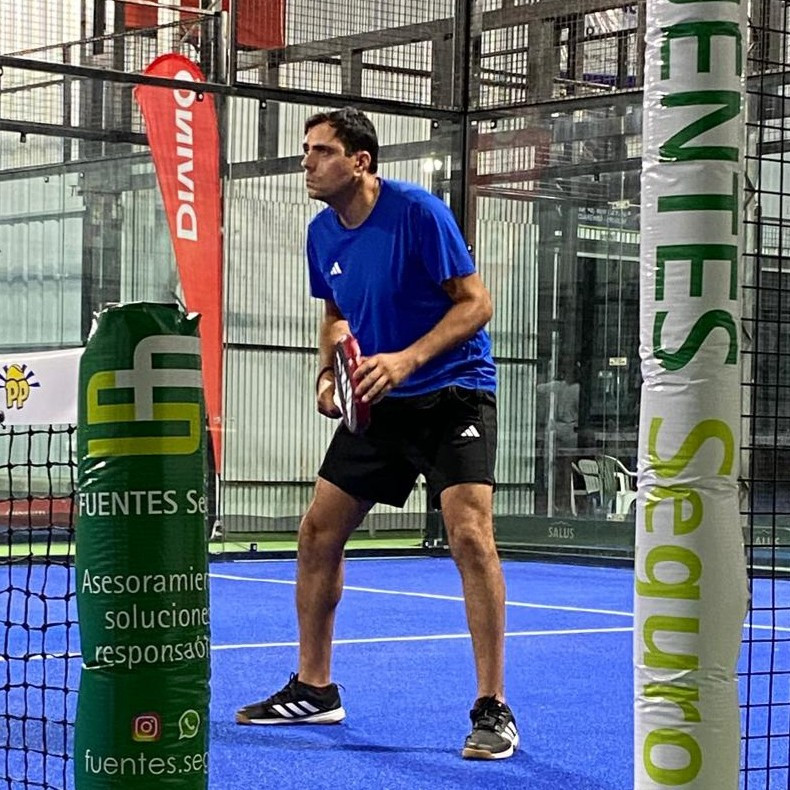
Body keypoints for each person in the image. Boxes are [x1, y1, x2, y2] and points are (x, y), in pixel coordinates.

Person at [235, 107, 518, 760]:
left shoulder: (418, 213)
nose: (307, 162)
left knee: (469, 534)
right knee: (318, 531)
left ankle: (492, 706)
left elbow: (477, 303)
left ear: (360, 161)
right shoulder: (321, 235)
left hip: (453, 392)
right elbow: (336, 316)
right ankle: (314, 688)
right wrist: (327, 375)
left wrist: (406, 360)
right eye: (306, 150)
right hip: (376, 400)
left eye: (322, 151)